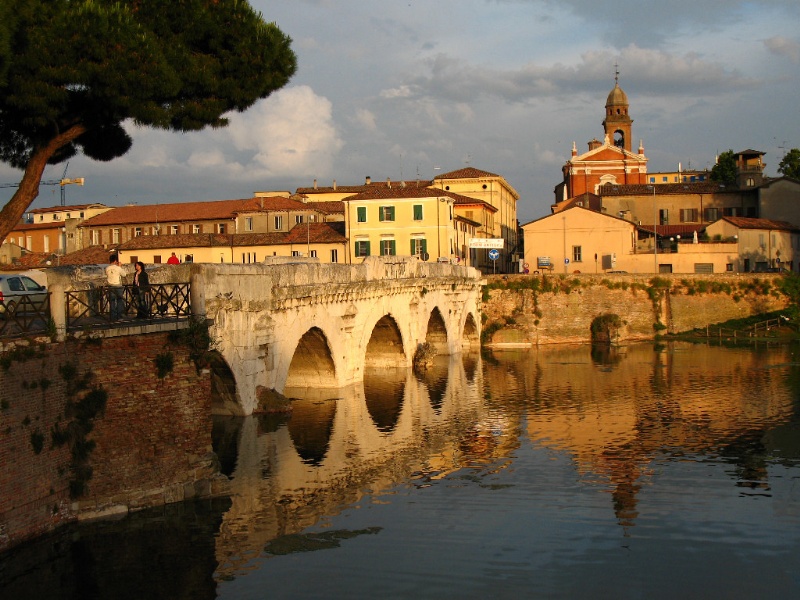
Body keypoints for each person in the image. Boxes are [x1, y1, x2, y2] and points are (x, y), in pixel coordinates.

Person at [105, 254, 126, 321]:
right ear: (115, 261)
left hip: (110, 286)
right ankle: (119, 316)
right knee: (119, 300)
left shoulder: (107, 268)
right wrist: (119, 266)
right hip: (118, 285)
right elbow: (124, 274)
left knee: (112, 301)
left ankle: (112, 317)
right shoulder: (118, 268)